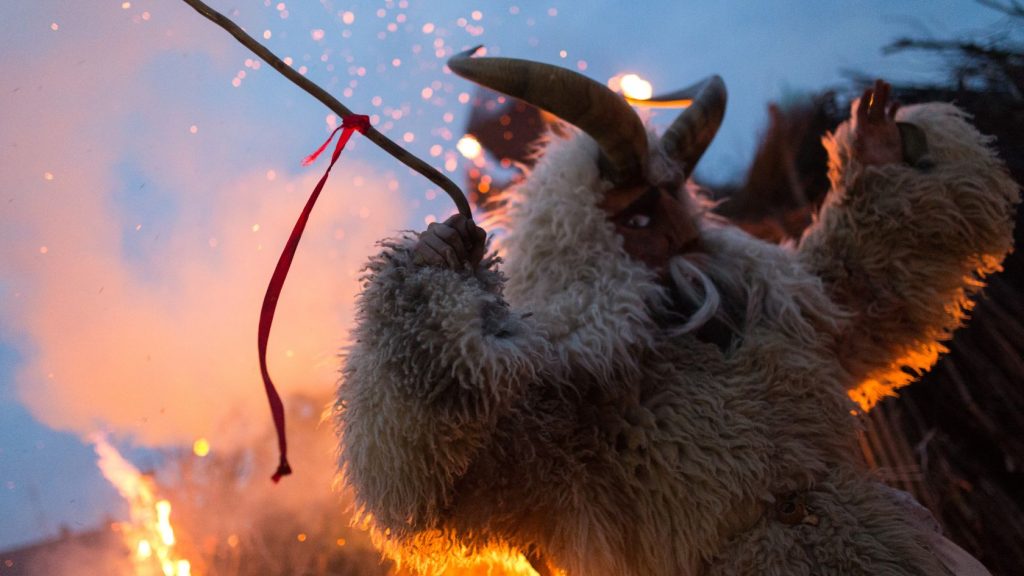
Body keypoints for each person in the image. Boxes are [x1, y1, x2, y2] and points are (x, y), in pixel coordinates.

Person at [335, 50, 1019, 576]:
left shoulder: (766, 302)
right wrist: (424, 311)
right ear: (581, 238)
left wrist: (887, 179)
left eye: (674, 198)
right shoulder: (563, 386)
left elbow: (868, 293)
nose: (671, 222)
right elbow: (430, 487)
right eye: (637, 210)